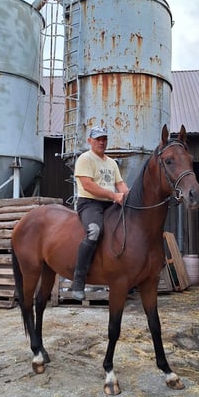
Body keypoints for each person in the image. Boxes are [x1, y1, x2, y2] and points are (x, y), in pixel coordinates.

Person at [70, 125, 130, 300]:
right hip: (89, 203)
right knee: (95, 230)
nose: (101, 142)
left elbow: (120, 185)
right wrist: (114, 195)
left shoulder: (111, 162)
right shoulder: (85, 159)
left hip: (109, 204)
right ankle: (78, 281)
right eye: (98, 139)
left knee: (126, 227)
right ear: (90, 141)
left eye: (104, 139)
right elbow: (88, 185)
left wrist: (128, 196)